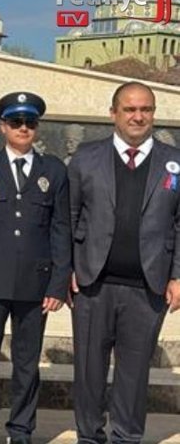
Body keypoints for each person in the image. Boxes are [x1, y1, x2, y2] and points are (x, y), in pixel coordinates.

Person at [68, 81, 180, 443]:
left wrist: (177, 276)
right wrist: (68, 268)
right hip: (92, 284)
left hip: (148, 287)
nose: (138, 116)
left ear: (154, 114)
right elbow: (68, 216)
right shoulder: (86, 157)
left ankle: (127, 437)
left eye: (145, 109)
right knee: (89, 371)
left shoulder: (173, 163)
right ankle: (89, 436)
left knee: (134, 374)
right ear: (113, 113)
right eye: (130, 109)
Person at [0, 92, 71, 444]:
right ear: (3, 126)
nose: (24, 128)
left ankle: (21, 429)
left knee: (26, 364)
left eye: (31, 123)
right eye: (17, 122)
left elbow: (60, 229)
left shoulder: (53, 170)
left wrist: (57, 284)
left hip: (34, 284)